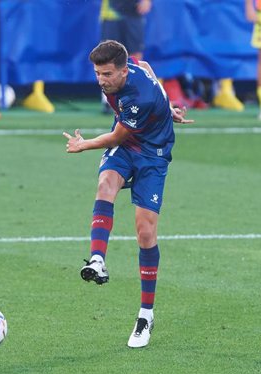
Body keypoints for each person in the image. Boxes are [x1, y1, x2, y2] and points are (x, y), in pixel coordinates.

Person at [63, 40, 192, 349]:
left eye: (107, 74)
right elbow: (148, 69)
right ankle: (97, 260)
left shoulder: (137, 97)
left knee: (145, 232)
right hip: (128, 146)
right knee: (106, 183)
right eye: (97, 73)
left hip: (153, 154)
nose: (101, 80)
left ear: (122, 71)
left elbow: (116, 136)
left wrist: (82, 145)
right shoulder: (133, 67)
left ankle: (146, 314)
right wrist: (166, 108)